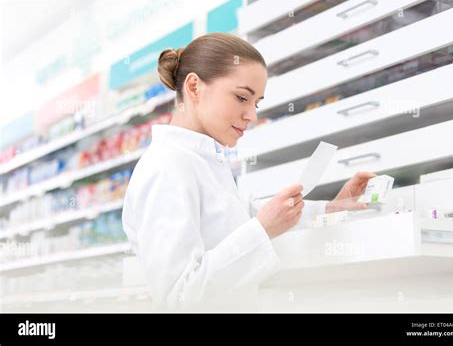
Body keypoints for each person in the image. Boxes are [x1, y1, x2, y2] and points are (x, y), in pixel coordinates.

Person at [122, 32, 376, 312]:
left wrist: (331, 208)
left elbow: (245, 217)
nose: (252, 116)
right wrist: (262, 230)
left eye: (256, 103)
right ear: (194, 87)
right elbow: (178, 297)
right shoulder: (167, 166)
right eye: (242, 97)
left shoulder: (203, 163)